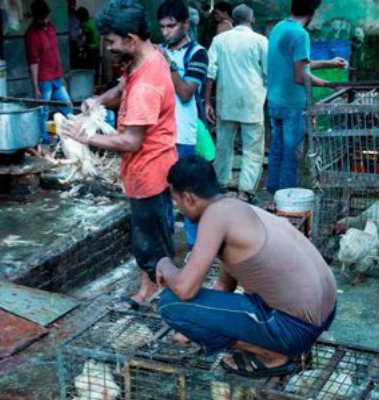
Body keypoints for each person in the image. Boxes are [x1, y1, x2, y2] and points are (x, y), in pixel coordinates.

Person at [156, 155, 337, 378]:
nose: (180, 210)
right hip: (323, 314)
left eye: (177, 202)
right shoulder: (237, 209)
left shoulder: (215, 216)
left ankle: (270, 355)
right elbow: (225, 283)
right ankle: (274, 344)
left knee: (168, 303)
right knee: (193, 305)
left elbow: (185, 289)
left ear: (189, 198)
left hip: (295, 329)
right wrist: (194, 324)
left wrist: (164, 264)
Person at [63, 0, 177, 311]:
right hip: (151, 169)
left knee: (153, 246)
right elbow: (122, 87)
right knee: (151, 240)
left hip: (149, 173)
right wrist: (98, 100)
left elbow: (130, 141)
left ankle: (164, 303)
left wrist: (86, 137)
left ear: (131, 38)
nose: (108, 47)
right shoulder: (148, 60)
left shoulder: (146, 86)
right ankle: (149, 291)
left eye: (112, 41)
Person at [266, 0, 348, 209]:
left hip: (274, 100)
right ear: (312, 13)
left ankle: (272, 198)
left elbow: (299, 63)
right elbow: (301, 76)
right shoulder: (300, 34)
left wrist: (329, 63)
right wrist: (330, 85)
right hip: (292, 103)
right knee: (291, 153)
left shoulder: (279, 28)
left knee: (277, 149)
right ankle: (288, 202)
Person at [158, 0, 208, 251]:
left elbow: (187, 93)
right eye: (162, 27)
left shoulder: (197, 53)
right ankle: (166, 246)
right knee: (162, 195)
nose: (166, 32)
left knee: (187, 195)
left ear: (185, 24)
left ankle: (194, 249)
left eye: (171, 26)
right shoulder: (159, 50)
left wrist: (170, 66)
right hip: (159, 135)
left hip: (182, 135)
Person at [205, 4, 267, 203]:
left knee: (224, 145)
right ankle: (244, 192)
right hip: (252, 103)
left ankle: (221, 185)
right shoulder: (260, 41)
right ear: (252, 20)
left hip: (226, 103)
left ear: (232, 19)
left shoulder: (220, 40)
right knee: (253, 149)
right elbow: (268, 73)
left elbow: (210, 73)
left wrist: (207, 102)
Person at [25, 0, 73, 145]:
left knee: (67, 106)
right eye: (43, 17)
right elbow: (33, 62)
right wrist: (35, 87)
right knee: (43, 111)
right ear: (36, 17)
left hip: (56, 76)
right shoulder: (31, 34)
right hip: (44, 79)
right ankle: (43, 140)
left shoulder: (51, 28)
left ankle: (73, 134)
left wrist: (62, 75)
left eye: (47, 16)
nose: (46, 19)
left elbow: (56, 53)